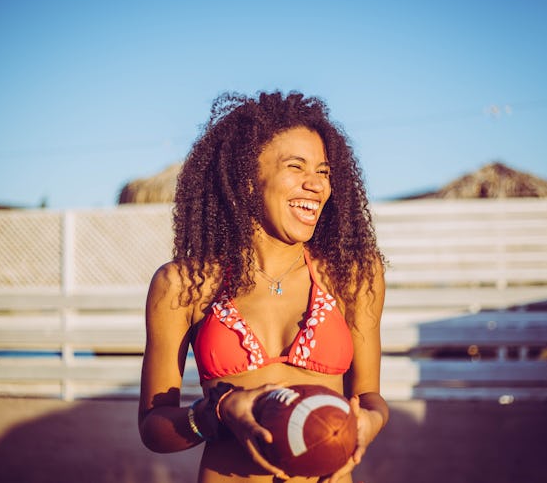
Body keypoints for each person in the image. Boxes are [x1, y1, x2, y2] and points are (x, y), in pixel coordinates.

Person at [138, 90, 388, 483]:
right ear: (247, 179)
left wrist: (369, 422)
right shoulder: (184, 285)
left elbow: (370, 396)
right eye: (296, 167)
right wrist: (217, 412)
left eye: (323, 172)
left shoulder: (353, 274)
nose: (316, 185)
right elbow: (154, 428)